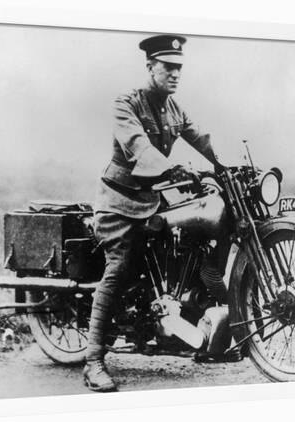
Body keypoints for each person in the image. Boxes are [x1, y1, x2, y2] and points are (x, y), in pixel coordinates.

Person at [83, 34, 224, 392]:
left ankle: (191, 327)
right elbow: (137, 146)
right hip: (119, 202)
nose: (175, 74)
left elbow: (200, 137)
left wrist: (222, 166)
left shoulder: (174, 108)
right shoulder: (126, 103)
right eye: (168, 67)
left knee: (187, 240)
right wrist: (169, 169)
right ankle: (93, 360)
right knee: (119, 267)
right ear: (150, 67)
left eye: (179, 68)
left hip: (151, 198)